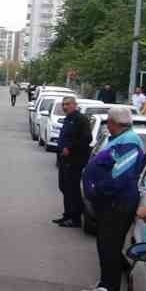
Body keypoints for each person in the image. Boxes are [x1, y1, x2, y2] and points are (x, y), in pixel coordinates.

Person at [80, 107, 144, 291]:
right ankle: (104, 285)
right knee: (104, 244)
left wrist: (97, 188)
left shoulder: (130, 142)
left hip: (119, 201)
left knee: (111, 247)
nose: (107, 124)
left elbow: (121, 175)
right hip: (110, 201)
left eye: (108, 121)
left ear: (115, 122)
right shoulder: (120, 138)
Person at [52, 97, 90, 227]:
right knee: (64, 187)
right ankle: (67, 214)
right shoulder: (68, 118)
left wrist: (70, 148)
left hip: (75, 160)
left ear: (75, 105)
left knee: (72, 189)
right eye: (63, 105)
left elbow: (86, 139)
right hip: (64, 159)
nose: (65, 107)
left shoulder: (81, 119)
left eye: (68, 104)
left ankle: (75, 218)